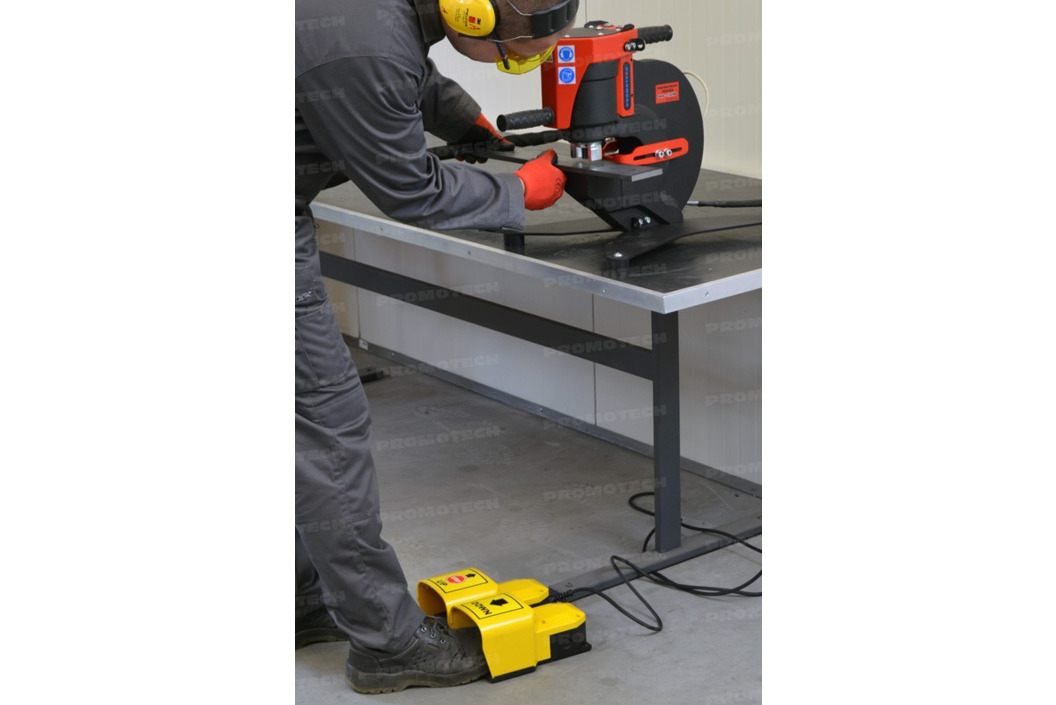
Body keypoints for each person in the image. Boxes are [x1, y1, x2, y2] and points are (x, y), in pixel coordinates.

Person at [295, 0, 577, 694]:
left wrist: (460, 118)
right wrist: (516, 191)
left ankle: (302, 596)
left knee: (299, 425)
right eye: (522, 46)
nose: (529, 55)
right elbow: (411, 189)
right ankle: (387, 645)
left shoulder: (386, 16)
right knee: (327, 424)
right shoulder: (364, 40)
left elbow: (403, 73)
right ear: (472, 13)